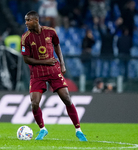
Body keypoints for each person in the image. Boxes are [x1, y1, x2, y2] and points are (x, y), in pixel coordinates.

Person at [21, 11, 87, 141]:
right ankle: (42, 129)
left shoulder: (50, 32)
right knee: (34, 103)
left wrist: (62, 63)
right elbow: (26, 59)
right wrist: (45, 61)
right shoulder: (25, 37)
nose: (26, 23)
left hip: (53, 70)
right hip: (37, 73)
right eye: (25, 20)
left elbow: (57, 46)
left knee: (66, 98)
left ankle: (78, 130)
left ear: (36, 20)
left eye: (28, 20)